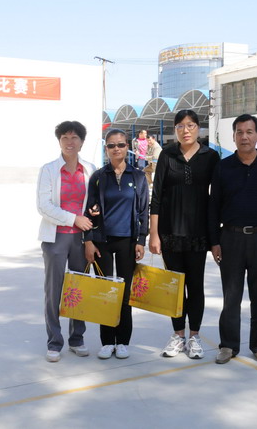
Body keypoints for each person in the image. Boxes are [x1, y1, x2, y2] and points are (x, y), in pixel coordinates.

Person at [209, 114, 257, 365]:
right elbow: (213, 206)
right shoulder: (223, 167)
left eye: (249, 132)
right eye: (240, 132)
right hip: (230, 238)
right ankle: (228, 345)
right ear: (233, 136)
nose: (244, 137)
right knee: (231, 296)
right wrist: (214, 241)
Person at [149, 109, 220, 359]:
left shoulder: (210, 156)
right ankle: (178, 335)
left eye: (190, 125)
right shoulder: (167, 154)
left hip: (198, 233)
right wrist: (154, 234)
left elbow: (217, 197)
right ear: (175, 130)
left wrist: (215, 236)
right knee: (174, 287)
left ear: (198, 128)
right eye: (180, 126)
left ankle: (195, 336)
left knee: (196, 286)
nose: (185, 130)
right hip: (170, 233)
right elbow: (156, 196)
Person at [83, 129, 149, 360]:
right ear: (106, 149)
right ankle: (107, 341)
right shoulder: (99, 177)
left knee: (124, 293)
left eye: (120, 144)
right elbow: (89, 211)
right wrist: (88, 240)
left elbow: (143, 211)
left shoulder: (137, 176)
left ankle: (122, 341)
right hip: (102, 241)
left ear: (127, 146)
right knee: (105, 291)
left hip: (127, 242)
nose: (116, 149)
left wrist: (141, 240)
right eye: (111, 145)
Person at [36, 120, 96, 362]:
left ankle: (77, 338)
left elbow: (94, 206)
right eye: (64, 138)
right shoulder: (49, 170)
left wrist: (90, 236)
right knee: (54, 291)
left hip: (81, 240)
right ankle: (54, 341)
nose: (69, 142)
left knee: (78, 288)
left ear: (82, 142)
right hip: (56, 238)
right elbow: (43, 206)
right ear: (59, 141)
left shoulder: (90, 169)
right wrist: (74, 219)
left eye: (74, 138)